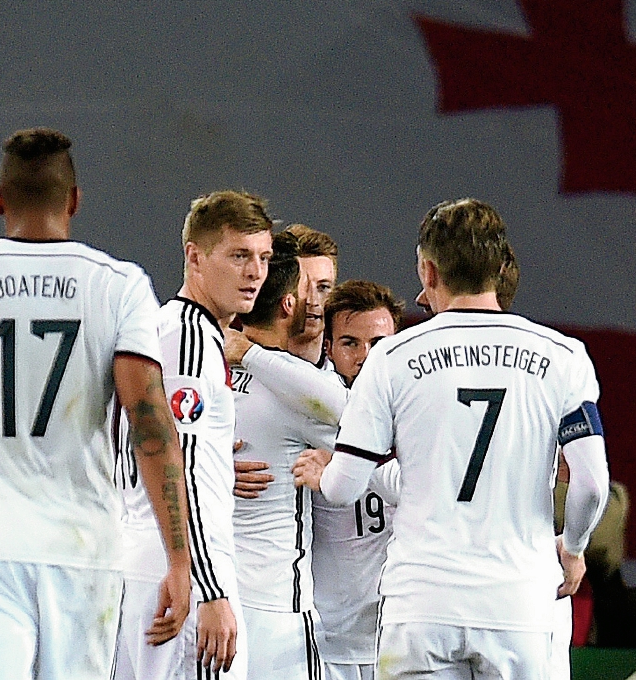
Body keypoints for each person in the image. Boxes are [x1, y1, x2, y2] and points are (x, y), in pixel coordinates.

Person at [0, 128, 191, 680]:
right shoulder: (119, 285)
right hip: (84, 552)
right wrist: (179, 559)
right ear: (74, 200)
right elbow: (151, 430)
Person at [294, 198, 610, 679]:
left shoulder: (393, 356)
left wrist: (324, 473)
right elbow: (591, 484)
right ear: (499, 269)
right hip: (518, 607)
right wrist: (573, 547)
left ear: (428, 270)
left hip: (421, 608)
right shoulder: (563, 357)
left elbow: (344, 487)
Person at [116, 189, 273, 680]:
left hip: (148, 560)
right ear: (195, 257)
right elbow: (175, 459)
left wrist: (216, 467)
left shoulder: (167, 328)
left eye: (264, 257)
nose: (255, 273)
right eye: (239, 256)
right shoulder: (189, 339)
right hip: (180, 572)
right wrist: (208, 587)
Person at [227, 231, 341, 680]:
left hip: (212, 596)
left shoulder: (204, 364)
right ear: (288, 304)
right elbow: (360, 420)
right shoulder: (298, 389)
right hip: (277, 609)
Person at [313, 280, 403, 680]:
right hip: (325, 640)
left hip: (400, 635)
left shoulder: (419, 418)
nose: (366, 357)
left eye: (379, 344)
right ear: (328, 348)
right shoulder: (307, 415)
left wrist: (342, 468)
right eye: (350, 343)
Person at [284, 224, 339, 366]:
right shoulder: (236, 366)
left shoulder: (353, 373)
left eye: (323, 287)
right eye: (300, 287)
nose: (312, 300)